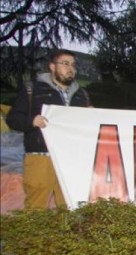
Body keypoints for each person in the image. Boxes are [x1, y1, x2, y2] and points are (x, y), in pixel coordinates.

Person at [6, 49, 92, 209]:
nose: (70, 68)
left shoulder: (82, 95)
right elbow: (13, 118)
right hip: (40, 157)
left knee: (68, 206)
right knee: (36, 207)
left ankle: (64, 235)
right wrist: (32, 121)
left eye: (73, 65)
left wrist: (92, 116)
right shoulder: (33, 90)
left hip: (71, 159)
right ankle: (33, 235)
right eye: (65, 64)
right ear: (52, 66)